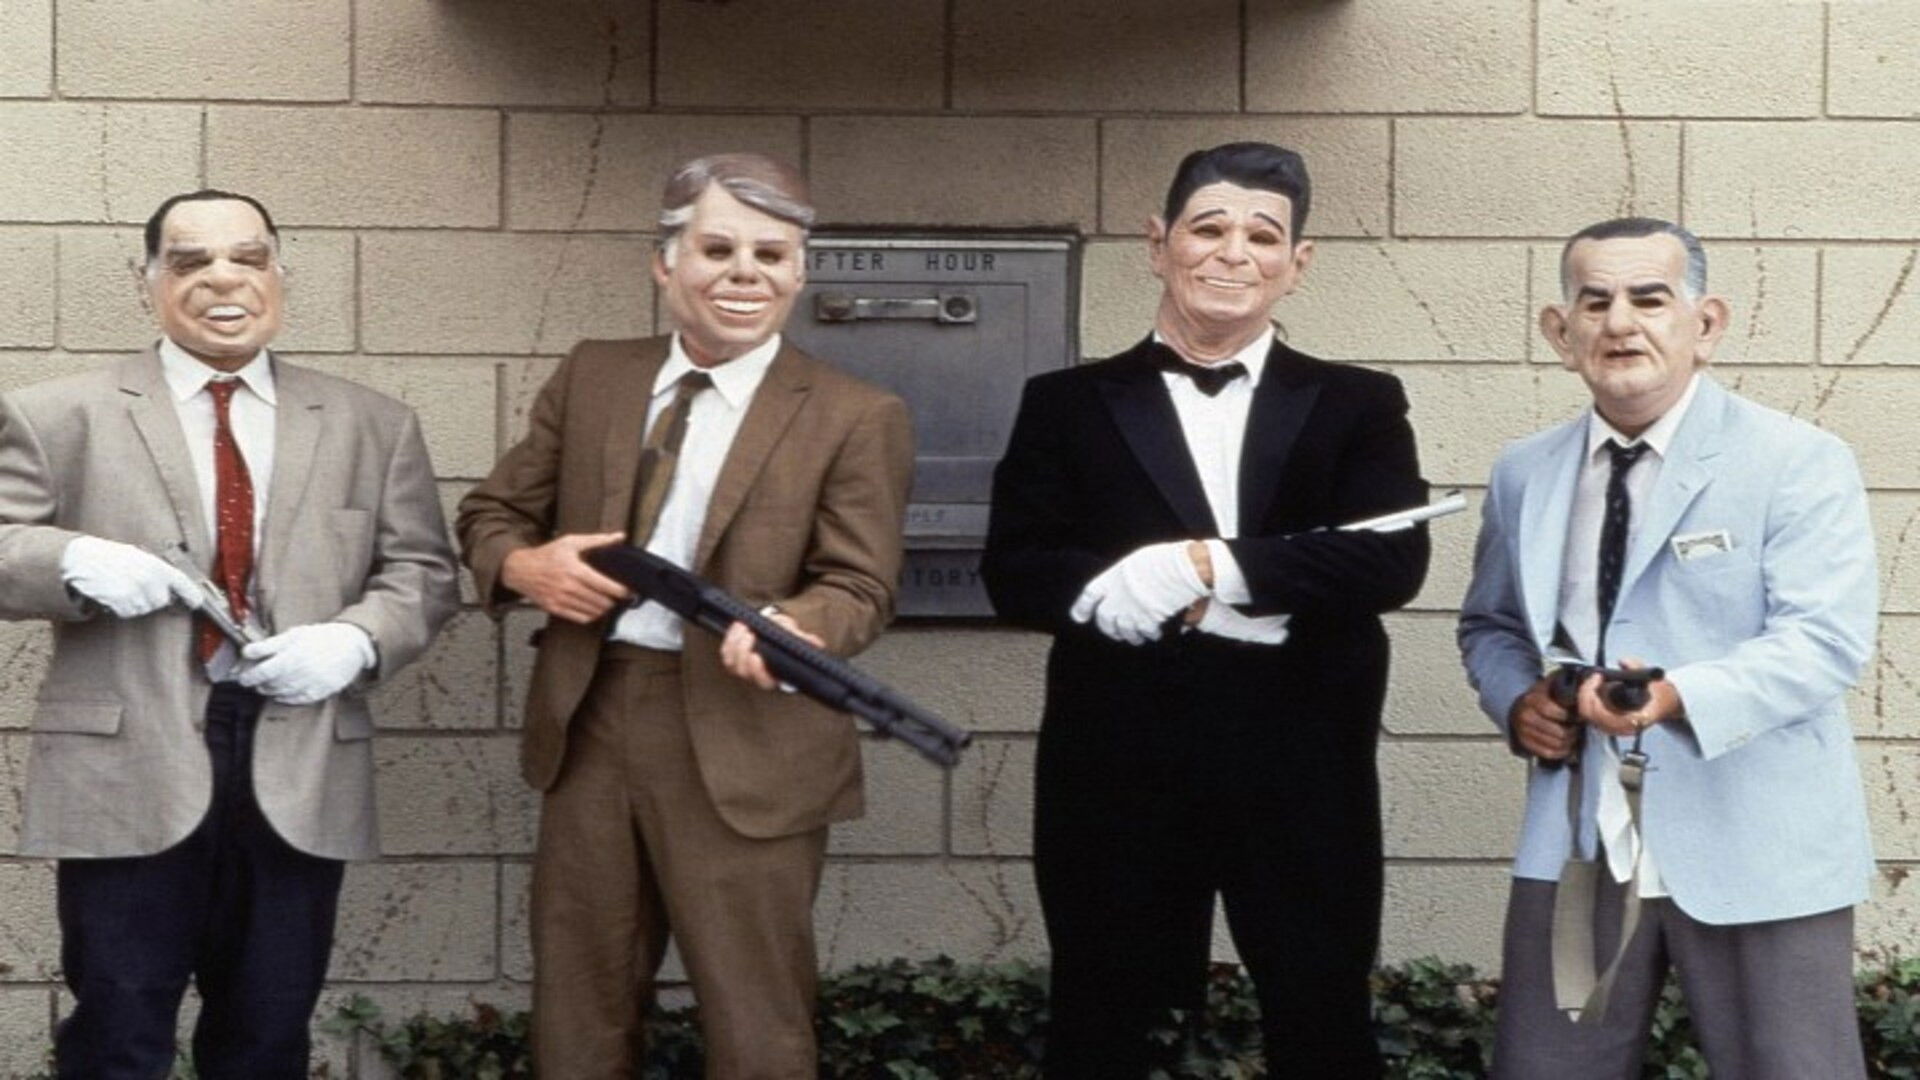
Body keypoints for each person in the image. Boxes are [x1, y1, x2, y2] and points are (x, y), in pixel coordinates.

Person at [457, 152, 913, 1078]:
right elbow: (491, 515)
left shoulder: (856, 413)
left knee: (756, 1019)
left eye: (771, 255)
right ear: (665, 264)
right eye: (718, 249)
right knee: (579, 1009)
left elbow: (861, 587)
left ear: (799, 273)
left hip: (752, 733)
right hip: (591, 719)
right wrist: (527, 566)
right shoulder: (594, 375)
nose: (745, 273)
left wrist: (801, 628)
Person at [981, 141, 1430, 1078]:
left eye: (1262, 236)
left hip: (1305, 775)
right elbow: (1016, 570)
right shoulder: (1065, 403)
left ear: (1297, 262)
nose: (1233, 253)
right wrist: (1136, 594)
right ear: (1159, 244)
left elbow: (1391, 559)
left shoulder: (1357, 403)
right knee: (1101, 1030)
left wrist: (1204, 567)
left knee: (1323, 1026)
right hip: (1118, 776)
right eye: (1209, 228)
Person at [0, 189, 459, 1077]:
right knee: (116, 1035)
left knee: (267, 1037)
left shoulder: (373, 424)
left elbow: (424, 573)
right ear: (146, 282)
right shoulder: (58, 415)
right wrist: (70, 560)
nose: (223, 280)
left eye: (248, 259)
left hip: (299, 759)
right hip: (128, 767)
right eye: (190, 261)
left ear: (280, 274)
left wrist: (357, 642)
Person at [1458, 217, 1877, 1078]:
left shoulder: (1797, 460)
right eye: (1595, 302)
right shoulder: (1524, 471)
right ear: (1560, 330)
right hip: (1577, 835)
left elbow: (1824, 640)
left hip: (1757, 837)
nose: (1620, 323)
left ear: (1705, 322)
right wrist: (1519, 702)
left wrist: (1675, 696)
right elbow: (1491, 626)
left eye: (1650, 299)